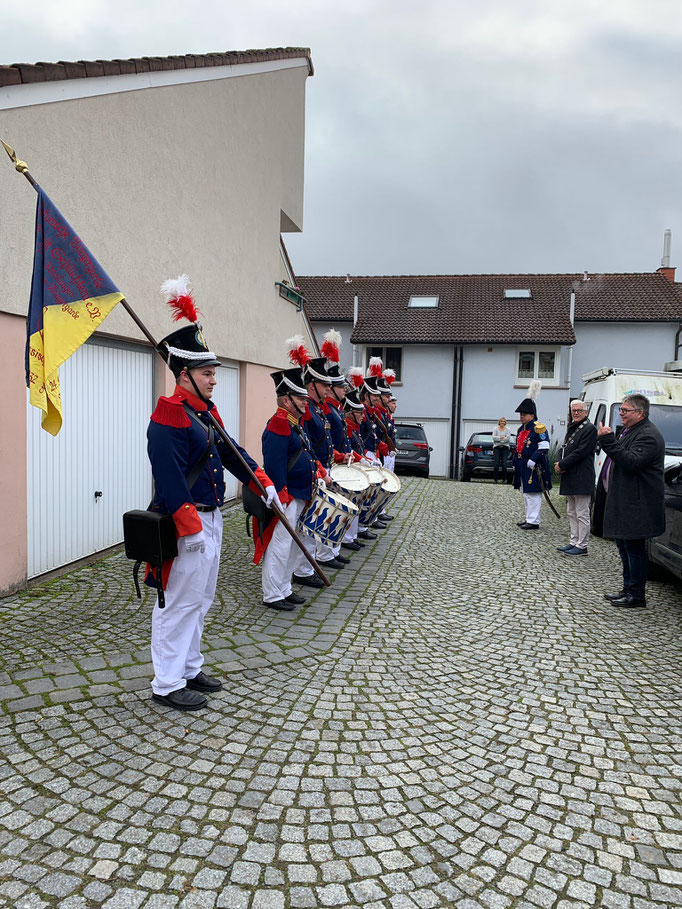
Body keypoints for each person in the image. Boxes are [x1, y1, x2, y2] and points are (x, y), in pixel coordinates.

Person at [147, 276, 275, 711]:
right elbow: (169, 479)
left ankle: (189, 667)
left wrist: (260, 478)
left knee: (201, 600)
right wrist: (190, 527)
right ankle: (165, 682)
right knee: (177, 604)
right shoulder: (168, 416)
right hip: (188, 521)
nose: (214, 380)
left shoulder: (205, 412)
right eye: (207, 373)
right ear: (185, 375)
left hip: (212, 516)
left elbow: (231, 451)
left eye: (214, 373)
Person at [257, 365, 319, 610]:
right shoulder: (279, 423)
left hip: (299, 494)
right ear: (286, 399)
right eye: (300, 398)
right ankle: (272, 593)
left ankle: (284, 588)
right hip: (287, 495)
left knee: (292, 545)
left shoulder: (294, 422)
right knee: (280, 546)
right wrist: (280, 495)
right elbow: (274, 465)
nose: (305, 402)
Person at [597, 394, 665, 608]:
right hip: (626, 501)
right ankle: (628, 588)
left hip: (638, 503)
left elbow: (631, 462)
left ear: (640, 413)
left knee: (634, 548)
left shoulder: (648, 435)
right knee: (624, 545)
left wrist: (607, 440)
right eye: (621, 410)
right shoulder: (632, 431)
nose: (621, 413)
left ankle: (636, 595)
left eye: (625, 410)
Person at [555, 400, 597, 556]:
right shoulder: (573, 427)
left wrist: (562, 464)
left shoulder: (589, 429)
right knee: (571, 512)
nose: (576, 413)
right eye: (574, 411)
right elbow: (565, 447)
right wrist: (559, 461)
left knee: (582, 512)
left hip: (581, 476)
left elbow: (581, 452)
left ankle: (582, 545)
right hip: (570, 475)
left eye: (579, 410)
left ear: (586, 412)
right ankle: (574, 541)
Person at [512, 381, 551, 529]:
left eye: (524, 414)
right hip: (523, 465)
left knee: (534, 493)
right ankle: (529, 518)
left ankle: (533, 521)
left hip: (534, 466)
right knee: (526, 493)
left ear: (532, 415)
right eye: (521, 414)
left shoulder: (538, 428)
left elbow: (544, 447)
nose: (521, 416)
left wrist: (533, 460)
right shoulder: (521, 428)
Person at [492, 417, 511, 484]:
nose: (502, 423)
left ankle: (504, 479)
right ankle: (495, 479)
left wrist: (499, 439)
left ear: (505, 423)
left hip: (505, 448)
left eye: (503, 421)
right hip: (496, 447)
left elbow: (508, 439)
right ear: (499, 422)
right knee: (496, 463)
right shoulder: (495, 429)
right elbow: (494, 438)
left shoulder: (508, 429)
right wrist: (501, 437)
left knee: (504, 464)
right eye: (501, 421)